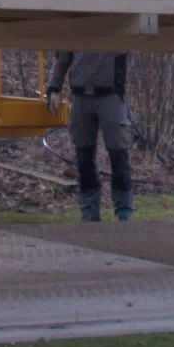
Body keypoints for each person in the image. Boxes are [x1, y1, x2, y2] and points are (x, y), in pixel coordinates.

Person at [57, 48, 135, 223]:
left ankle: (124, 213)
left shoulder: (117, 25)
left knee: (119, 154)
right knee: (84, 156)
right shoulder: (76, 26)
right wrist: (54, 86)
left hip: (111, 94)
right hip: (80, 95)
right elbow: (63, 55)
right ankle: (89, 212)